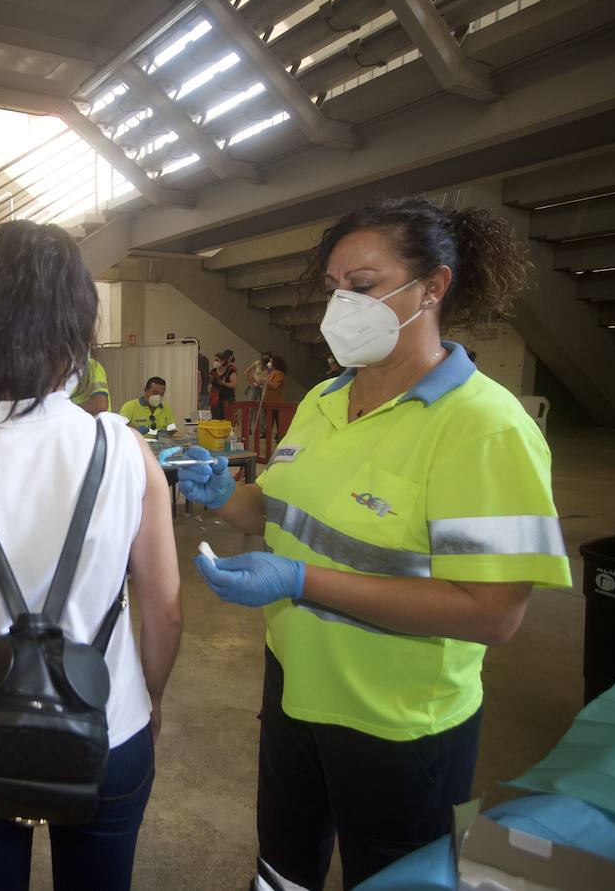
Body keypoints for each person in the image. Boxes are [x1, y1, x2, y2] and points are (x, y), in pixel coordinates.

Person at [171, 198, 572, 891]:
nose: (339, 306)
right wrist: (224, 497)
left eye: (361, 286)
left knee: (389, 876)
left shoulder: (484, 427)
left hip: (399, 723)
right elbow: (275, 511)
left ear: (434, 287)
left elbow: (492, 612)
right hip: (296, 686)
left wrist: (302, 582)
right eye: (333, 288)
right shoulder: (324, 401)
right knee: (282, 863)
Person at [0, 220, 182, 891]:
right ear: (75, 332)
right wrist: (152, 695)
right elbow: (162, 609)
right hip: (109, 723)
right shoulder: (124, 448)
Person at [209, 350, 237, 421]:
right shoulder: (213, 371)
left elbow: (234, 384)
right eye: (214, 360)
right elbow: (210, 383)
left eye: (217, 360)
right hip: (215, 400)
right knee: (216, 419)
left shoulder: (230, 371)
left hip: (227, 399)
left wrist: (224, 383)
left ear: (223, 361)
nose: (215, 362)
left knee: (227, 419)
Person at [197, 345, 210, 414]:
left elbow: (200, 381)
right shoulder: (204, 358)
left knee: (195, 420)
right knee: (204, 420)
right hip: (204, 393)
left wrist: (197, 398)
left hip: (199, 395)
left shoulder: (197, 359)